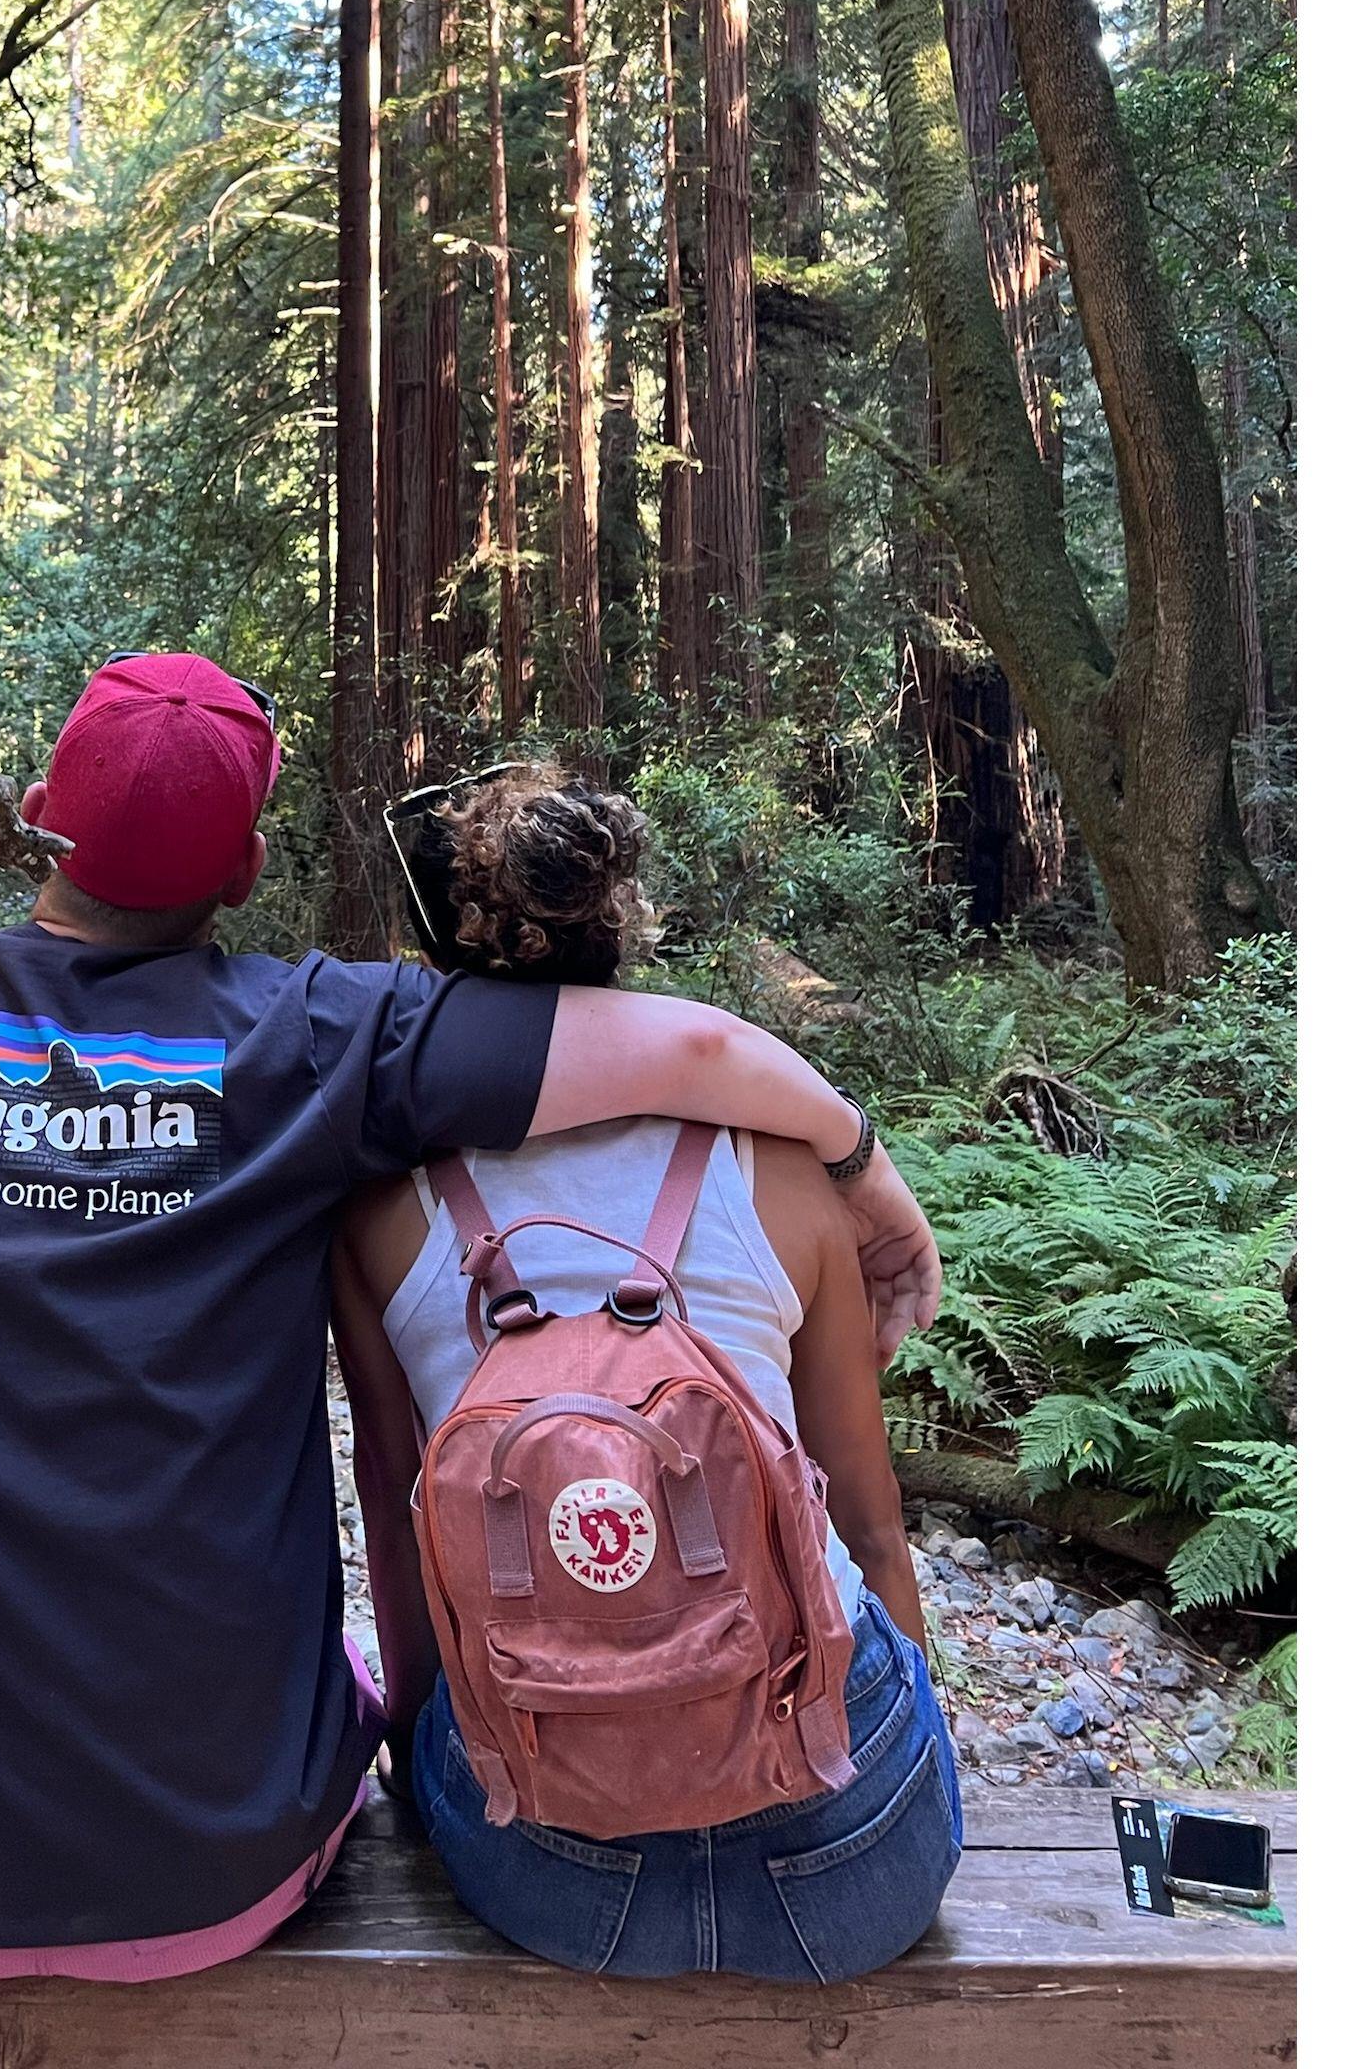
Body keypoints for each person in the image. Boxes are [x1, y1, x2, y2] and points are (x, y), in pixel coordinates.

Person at [0, 658, 940, 1982]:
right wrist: (868, 1176)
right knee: (356, 1679)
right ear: (244, 871)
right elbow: (687, 1044)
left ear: (45, 819)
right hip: (223, 1879)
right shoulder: (311, 1035)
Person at [331, 763, 961, 1981]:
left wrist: (433, 1763)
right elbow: (873, 1537)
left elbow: (406, 1535)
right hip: (847, 1868)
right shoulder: (781, 1172)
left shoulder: (381, 1213)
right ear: (619, 927)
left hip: (553, 1871)